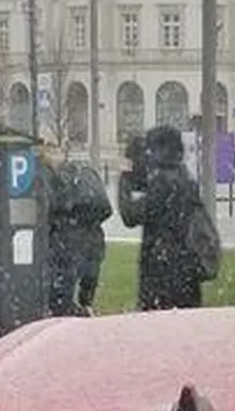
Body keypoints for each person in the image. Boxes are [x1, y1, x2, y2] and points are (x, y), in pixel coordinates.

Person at [118, 123, 220, 310]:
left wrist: (125, 176)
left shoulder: (162, 184)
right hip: (186, 274)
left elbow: (129, 215)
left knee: (159, 331)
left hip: (162, 276)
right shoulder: (184, 179)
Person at [42, 151, 113, 315]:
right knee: (87, 283)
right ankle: (86, 309)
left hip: (69, 240)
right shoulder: (87, 180)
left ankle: (70, 314)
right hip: (94, 239)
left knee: (62, 293)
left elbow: (52, 210)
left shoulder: (57, 180)